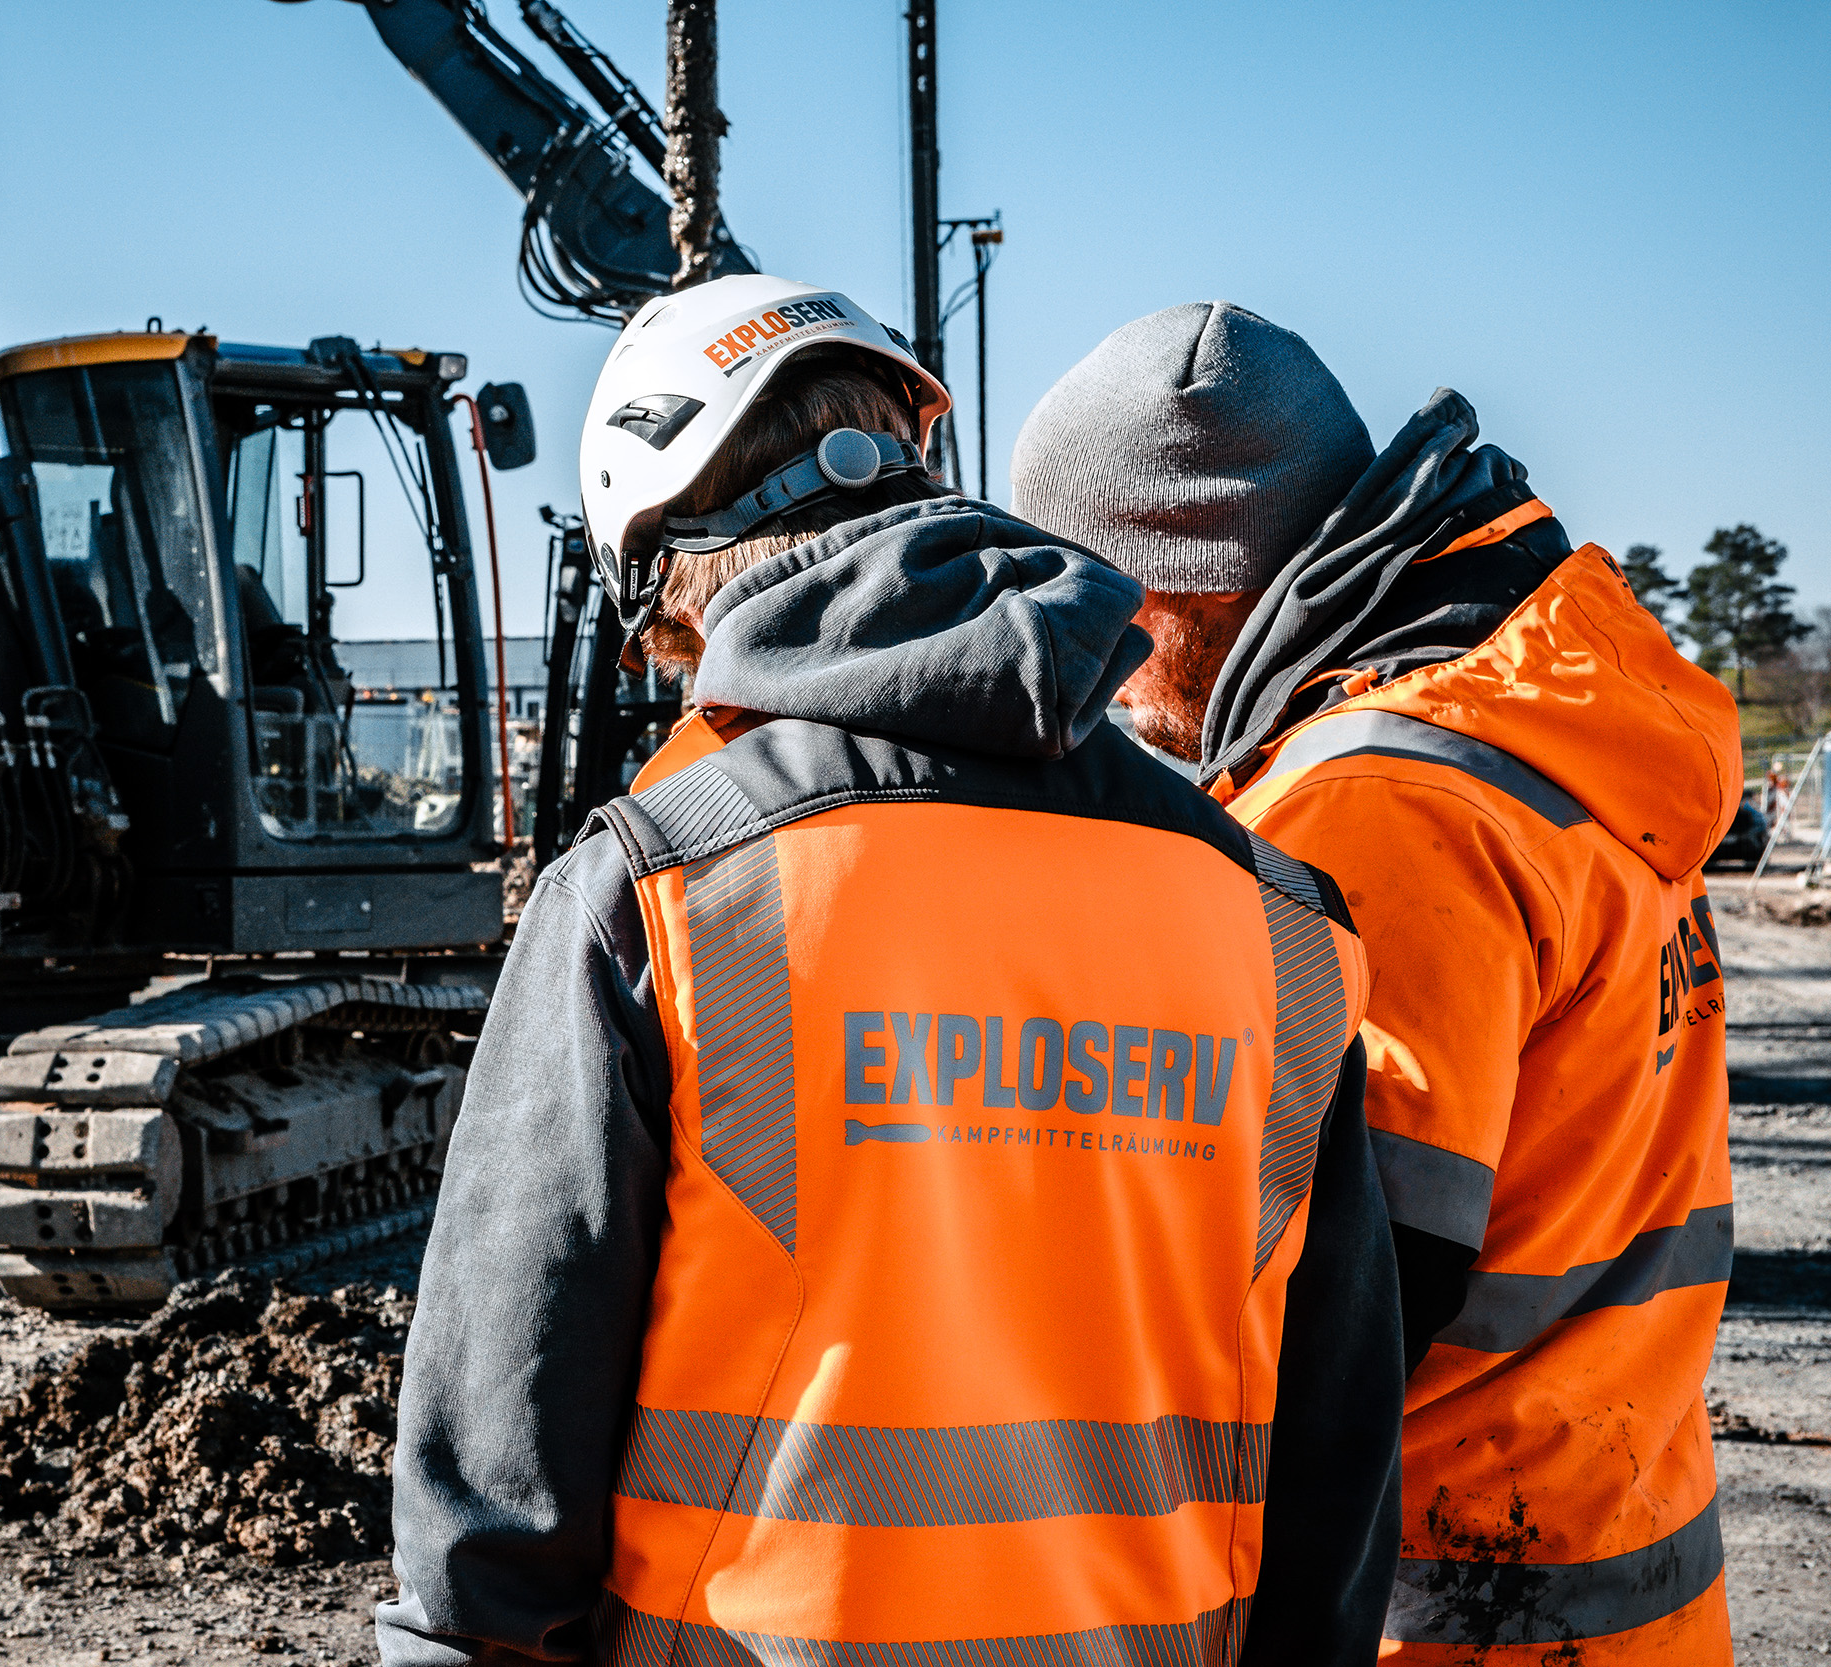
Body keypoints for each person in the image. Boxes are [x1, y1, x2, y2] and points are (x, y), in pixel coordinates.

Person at [377, 274, 1404, 1667]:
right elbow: (1334, 1491)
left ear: (679, 571)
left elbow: (499, 1493)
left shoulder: (662, 894)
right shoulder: (1280, 922)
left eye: (676, 651)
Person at [1012, 301, 1742, 1664]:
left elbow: (1336, 1313)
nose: (1106, 670)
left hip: (1441, 1609)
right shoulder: (1546, 737)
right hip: (1613, 1574)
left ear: (1189, 580)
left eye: (1106, 601)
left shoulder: (1378, 815)